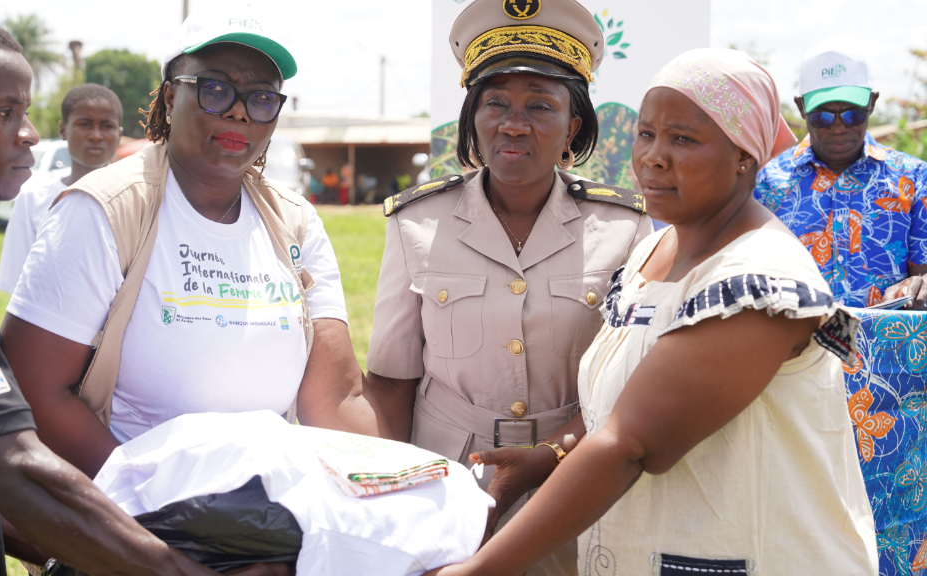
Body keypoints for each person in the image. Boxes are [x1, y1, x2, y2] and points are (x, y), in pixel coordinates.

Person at [428, 48, 877, 576]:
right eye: (646, 134)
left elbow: (631, 443)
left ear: (744, 157)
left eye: (683, 139)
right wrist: (545, 456)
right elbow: (620, 401)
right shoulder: (651, 253)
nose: (653, 157)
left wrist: (477, 570)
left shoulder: (758, 278)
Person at [0, 13, 249, 576]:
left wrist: (73, 553)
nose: (29, 134)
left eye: (25, 111)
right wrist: (177, 569)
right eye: (4, 113)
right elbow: (13, 467)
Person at [0, 11, 389, 483]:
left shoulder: (295, 222)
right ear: (170, 97)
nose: (239, 112)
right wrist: (154, 497)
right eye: (216, 89)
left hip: (265, 500)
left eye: (262, 98)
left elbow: (335, 399)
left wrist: (394, 477)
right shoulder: (104, 211)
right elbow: (36, 389)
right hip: (133, 506)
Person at [364, 1, 651, 574]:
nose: (513, 124)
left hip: (575, 477)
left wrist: (553, 453)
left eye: (539, 106)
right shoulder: (417, 222)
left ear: (572, 126)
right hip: (446, 481)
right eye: (495, 103)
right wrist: (386, 500)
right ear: (473, 116)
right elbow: (392, 383)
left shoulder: (623, 226)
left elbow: (632, 384)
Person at [755, 40, 927, 309]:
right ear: (801, 107)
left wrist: (920, 285)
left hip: (886, 336)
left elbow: (923, 272)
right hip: (796, 336)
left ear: (872, 102)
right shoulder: (765, 183)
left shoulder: (914, 179)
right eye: (822, 116)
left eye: (852, 115)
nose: (838, 127)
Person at [0, 83, 124, 294]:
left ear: (119, 134)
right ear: (63, 130)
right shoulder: (33, 197)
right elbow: (17, 283)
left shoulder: (137, 198)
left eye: (107, 126)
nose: (96, 135)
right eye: (84, 124)